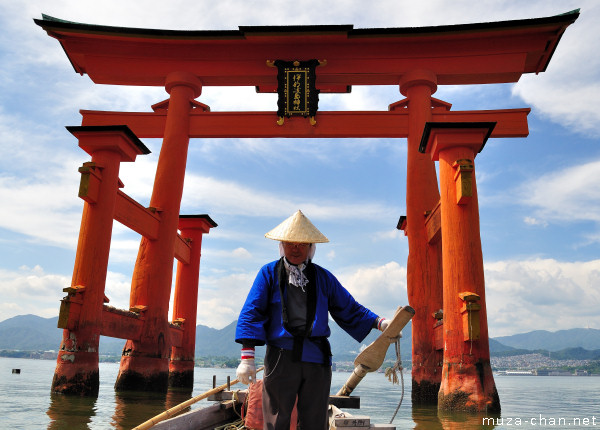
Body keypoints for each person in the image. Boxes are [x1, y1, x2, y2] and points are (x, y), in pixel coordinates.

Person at [235, 210, 390, 430]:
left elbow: (348, 307)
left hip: (317, 358)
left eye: (302, 244)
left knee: (315, 419)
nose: (295, 249)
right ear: (282, 245)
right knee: (277, 416)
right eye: (290, 243)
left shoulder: (324, 277)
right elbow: (252, 311)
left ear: (311, 248)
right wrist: (247, 357)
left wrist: (379, 323)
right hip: (281, 357)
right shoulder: (268, 273)